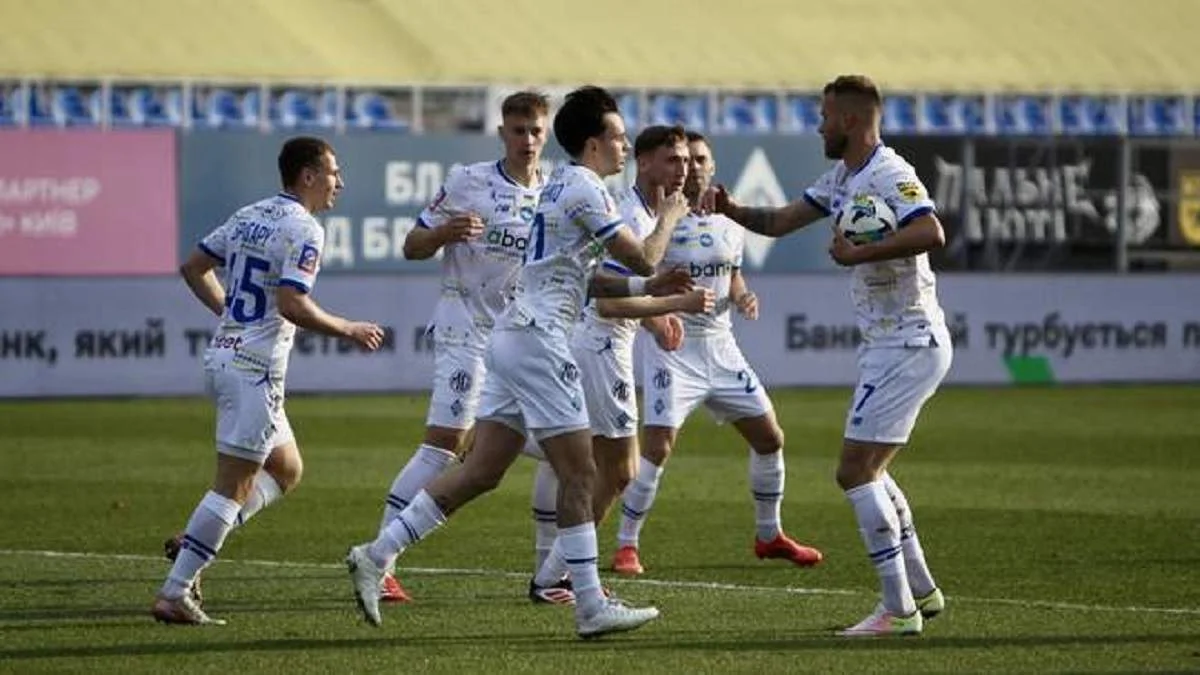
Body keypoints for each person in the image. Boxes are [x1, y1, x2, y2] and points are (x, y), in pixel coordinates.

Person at [345, 86, 694, 639]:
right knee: (581, 471)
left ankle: (376, 554)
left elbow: (586, 279)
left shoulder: (559, 184)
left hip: (512, 334)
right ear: (593, 143)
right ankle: (589, 604)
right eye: (619, 137)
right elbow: (644, 254)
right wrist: (670, 216)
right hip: (539, 339)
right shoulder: (584, 187)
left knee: (481, 471)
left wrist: (649, 288)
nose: (625, 147)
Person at [703, 75, 951, 637]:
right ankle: (921, 589)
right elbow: (781, 221)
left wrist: (862, 252)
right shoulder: (843, 176)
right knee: (873, 471)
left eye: (825, 116)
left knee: (854, 472)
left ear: (850, 120)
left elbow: (931, 231)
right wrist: (732, 209)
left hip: (909, 342)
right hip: (890, 343)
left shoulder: (890, 173)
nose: (818, 126)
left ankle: (898, 610)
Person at [154, 137, 384, 625]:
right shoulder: (305, 228)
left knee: (286, 468)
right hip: (253, 370)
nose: (340, 182)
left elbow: (193, 267)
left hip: (228, 355)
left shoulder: (249, 214)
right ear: (308, 176)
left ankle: (195, 542)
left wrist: (231, 315)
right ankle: (176, 591)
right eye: (333, 173)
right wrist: (348, 328)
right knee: (232, 485)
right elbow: (292, 304)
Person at [611, 131, 823, 576]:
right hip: (674, 346)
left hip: (722, 347)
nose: (693, 168)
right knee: (657, 447)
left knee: (770, 438)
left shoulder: (729, 219)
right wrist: (656, 320)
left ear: (712, 165)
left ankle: (769, 534)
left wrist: (742, 295)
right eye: (684, 160)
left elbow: (732, 273)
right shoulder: (656, 217)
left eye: (701, 160)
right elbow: (642, 275)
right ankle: (626, 544)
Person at [373, 91, 551, 603]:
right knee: (443, 444)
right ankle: (380, 561)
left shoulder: (554, 191)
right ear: (502, 133)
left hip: (520, 340)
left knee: (565, 445)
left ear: (547, 133)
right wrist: (444, 233)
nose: (527, 140)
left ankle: (552, 574)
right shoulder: (469, 181)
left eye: (536, 131)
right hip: (465, 330)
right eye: (518, 130)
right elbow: (411, 245)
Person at [526, 125, 713, 604]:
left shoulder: (645, 210)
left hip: (603, 343)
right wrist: (674, 303)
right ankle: (556, 574)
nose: (683, 169)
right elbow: (607, 302)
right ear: (644, 165)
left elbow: (616, 288)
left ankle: (558, 572)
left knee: (592, 464)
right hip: (600, 346)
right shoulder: (632, 213)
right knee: (617, 471)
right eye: (672, 160)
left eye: (687, 161)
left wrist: (656, 314)